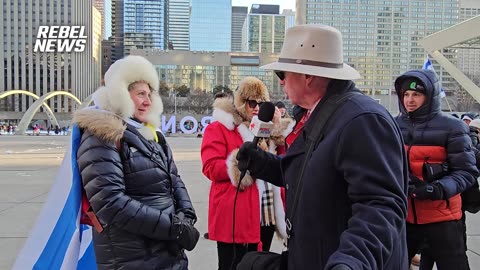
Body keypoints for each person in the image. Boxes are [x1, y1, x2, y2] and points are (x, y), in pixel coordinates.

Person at [236, 24, 409, 269]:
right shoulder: (320, 113)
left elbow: (380, 205)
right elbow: (317, 175)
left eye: (282, 74)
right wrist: (264, 165)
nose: (281, 83)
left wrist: (352, 260)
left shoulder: (362, 120)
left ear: (308, 76)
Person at [73, 55, 200, 270]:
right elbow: (110, 202)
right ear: (120, 92)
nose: (148, 101)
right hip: (131, 257)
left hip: (167, 252)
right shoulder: (102, 135)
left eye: (150, 94)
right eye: (141, 94)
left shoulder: (153, 135)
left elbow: (175, 180)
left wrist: (186, 215)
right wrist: (174, 228)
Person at [201, 76, 293, 270]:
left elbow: (286, 164)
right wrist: (238, 165)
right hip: (235, 216)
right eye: (252, 103)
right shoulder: (220, 128)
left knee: (258, 265)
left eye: (261, 103)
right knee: (232, 265)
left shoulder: (265, 130)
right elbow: (210, 166)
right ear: (242, 103)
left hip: (266, 214)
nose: (257, 108)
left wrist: (278, 131)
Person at [394, 69, 478, 270]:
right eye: (406, 94)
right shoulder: (393, 125)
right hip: (405, 218)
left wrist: (439, 188)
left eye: (416, 94)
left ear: (429, 96)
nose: (410, 100)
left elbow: (467, 172)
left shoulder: (453, 127)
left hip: (444, 219)